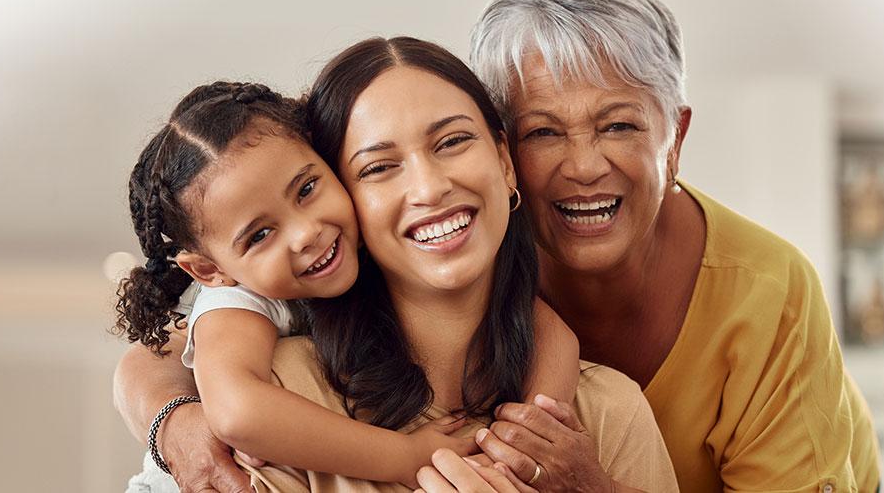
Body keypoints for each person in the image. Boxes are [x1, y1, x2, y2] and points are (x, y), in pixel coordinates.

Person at [116, 38, 677, 492]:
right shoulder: (283, 391)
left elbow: (545, 328)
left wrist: (534, 435)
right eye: (379, 168)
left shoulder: (607, 413)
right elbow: (168, 367)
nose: (430, 187)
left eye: (453, 141)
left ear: (505, 161)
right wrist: (168, 417)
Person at [463, 0, 881, 492]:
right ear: (502, 154)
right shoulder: (473, 269)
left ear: (675, 139)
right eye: (542, 133)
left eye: (618, 125)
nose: (585, 166)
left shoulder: (772, 292)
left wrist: (594, 488)